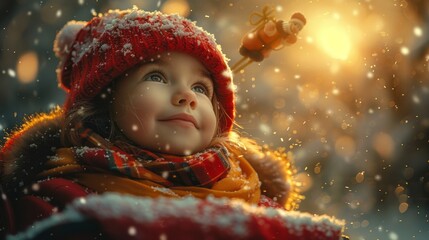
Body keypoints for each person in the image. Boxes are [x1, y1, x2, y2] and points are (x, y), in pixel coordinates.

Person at [0, 7, 345, 239]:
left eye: (201, 87)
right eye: (157, 76)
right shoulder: (56, 200)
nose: (187, 96)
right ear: (103, 102)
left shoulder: (254, 199)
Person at [239, 12, 306, 62]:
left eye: (299, 28)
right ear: (291, 22)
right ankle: (246, 48)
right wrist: (271, 27)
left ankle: (255, 54)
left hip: (264, 49)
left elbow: (286, 43)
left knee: (258, 56)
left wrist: (292, 40)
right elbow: (267, 31)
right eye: (295, 24)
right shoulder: (278, 25)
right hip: (256, 40)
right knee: (246, 48)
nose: (296, 28)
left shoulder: (287, 37)